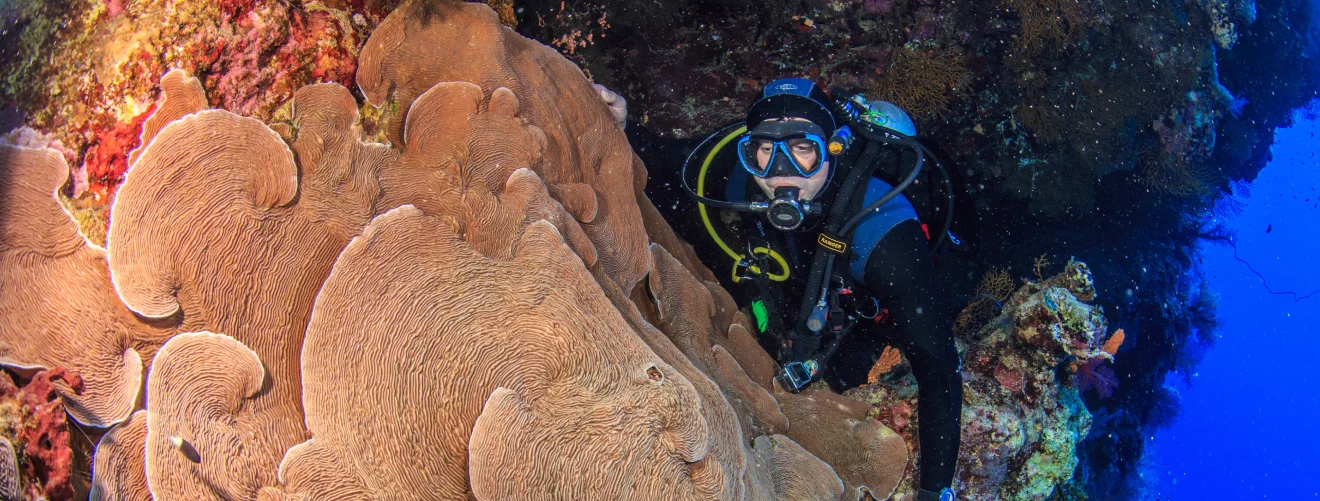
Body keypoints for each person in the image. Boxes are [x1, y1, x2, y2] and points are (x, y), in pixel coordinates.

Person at [680, 78, 963, 501]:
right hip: (802, 290)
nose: (781, 171)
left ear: (832, 148)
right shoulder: (734, 183)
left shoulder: (883, 230)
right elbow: (663, 164)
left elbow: (939, 369)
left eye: (802, 148)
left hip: (872, 306)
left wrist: (936, 491)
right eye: (764, 150)